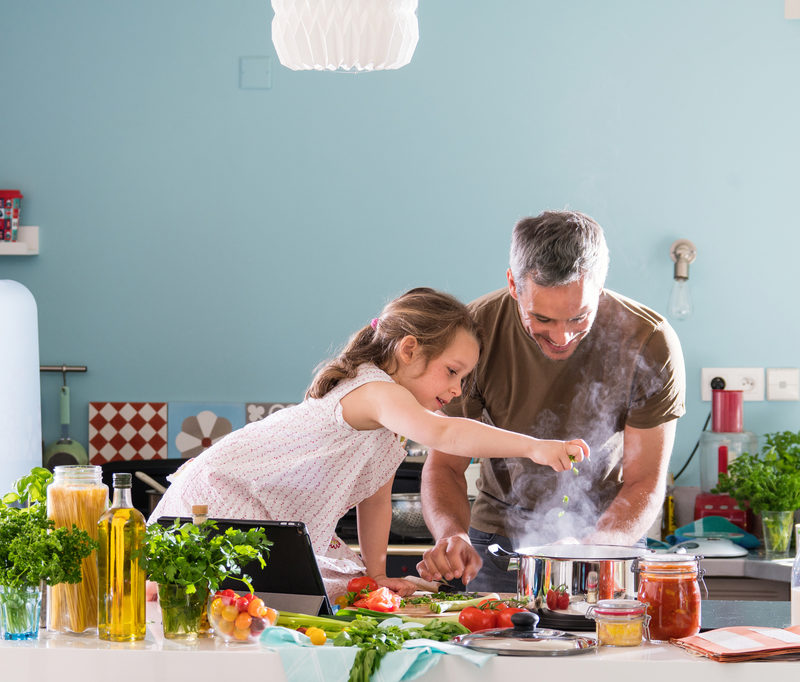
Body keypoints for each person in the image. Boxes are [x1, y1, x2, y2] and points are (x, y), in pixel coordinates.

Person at [149, 287, 588, 599]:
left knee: (338, 590)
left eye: (464, 378)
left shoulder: (389, 426)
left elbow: (374, 502)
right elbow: (444, 433)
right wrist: (537, 447)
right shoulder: (376, 391)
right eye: (452, 371)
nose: (457, 390)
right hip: (223, 498)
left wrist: (377, 573)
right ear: (410, 349)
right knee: (220, 603)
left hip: (261, 516)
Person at [416, 211, 686, 592]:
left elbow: (645, 481)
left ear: (600, 286)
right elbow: (444, 464)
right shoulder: (474, 333)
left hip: (608, 537)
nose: (561, 337)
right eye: (541, 318)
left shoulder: (650, 340)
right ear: (513, 284)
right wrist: (451, 535)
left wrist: (592, 551)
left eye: (580, 318)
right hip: (497, 542)